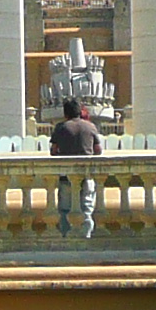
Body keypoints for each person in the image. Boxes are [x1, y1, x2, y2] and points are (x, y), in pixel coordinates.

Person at [49, 97, 103, 238]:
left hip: (65, 174)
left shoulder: (61, 127)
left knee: (65, 209)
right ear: (80, 112)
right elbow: (98, 150)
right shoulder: (90, 126)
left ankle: (67, 237)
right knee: (86, 209)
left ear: (65, 113)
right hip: (86, 173)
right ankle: (86, 237)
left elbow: (53, 151)